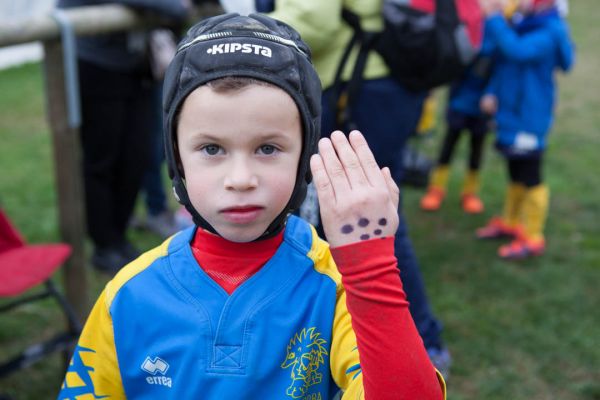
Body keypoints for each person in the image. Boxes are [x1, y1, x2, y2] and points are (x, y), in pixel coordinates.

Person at [57, 14, 445, 399]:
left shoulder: (340, 289)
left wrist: (370, 266)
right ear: (176, 158)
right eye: (212, 149)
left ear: (304, 156)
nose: (240, 178)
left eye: (267, 148)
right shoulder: (128, 296)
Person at [269, 0, 482, 376]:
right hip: (390, 84)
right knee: (368, 214)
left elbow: (315, 21)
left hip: (359, 85)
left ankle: (422, 342)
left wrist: (236, 30)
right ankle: (353, 331)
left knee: (370, 222)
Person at [56, 0, 191, 274]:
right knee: (102, 159)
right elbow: (174, 8)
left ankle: (118, 237)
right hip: (95, 65)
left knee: (137, 155)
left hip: (135, 64)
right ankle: (105, 245)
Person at [476, 0, 574, 259]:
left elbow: (517, 51)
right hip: (510, 112)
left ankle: (533, 236)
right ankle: (511, 222)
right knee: (515, 170)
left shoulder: (551, 29)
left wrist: (495, 18)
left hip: (529, 116)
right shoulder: (522, 23)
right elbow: (504, 61)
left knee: (531, 174)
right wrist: (492, 92)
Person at [420, 21, 495, 214]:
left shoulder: (500, 29)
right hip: (459, 103)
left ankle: (470, 193)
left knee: (476, 150)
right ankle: (436, 189)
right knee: (448, 146)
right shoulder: (468, 25)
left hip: (482, 108)